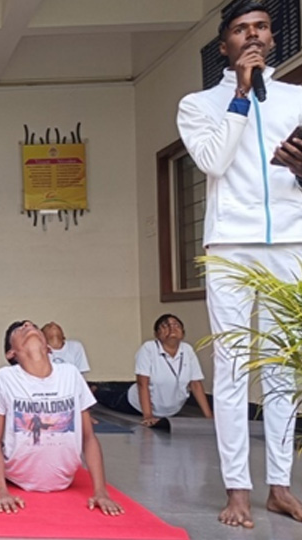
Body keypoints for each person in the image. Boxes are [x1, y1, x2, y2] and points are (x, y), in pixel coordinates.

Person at [177, 1, 302, 527]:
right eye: (240, 29)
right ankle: (237, 490)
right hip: (230, 246)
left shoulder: (299, 99)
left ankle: (279, 485)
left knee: (282, 371)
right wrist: (241, 96)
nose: (252, 35)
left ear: (273, 38)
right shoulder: (198, 104)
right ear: (224, 46)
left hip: (291, 243)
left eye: (261, 27)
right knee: (231, 369)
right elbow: (212, 162)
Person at [0, 320, 122, 516]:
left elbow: (89, 437)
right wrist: (0, 490)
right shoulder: (4, 378)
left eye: (33, 326)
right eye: (21, 329)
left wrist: (101, 492)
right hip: (16, 474)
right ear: (11, 353)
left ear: (49, 348)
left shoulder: (71, 374)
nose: (28, 325)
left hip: (63, 479)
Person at [93, 314, 213, 425]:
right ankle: (95, 390)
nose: (172, 328)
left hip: (170, 410)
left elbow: (196, 384)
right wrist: (148, 416)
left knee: (122, 387)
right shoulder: (149, 348)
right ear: (156, 334)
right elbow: (142, 384)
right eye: (165, 326)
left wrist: (209, 417)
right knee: (107, 397)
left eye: (176, 325)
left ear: (183, 333)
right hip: (136, 404)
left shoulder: (187, 350)